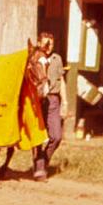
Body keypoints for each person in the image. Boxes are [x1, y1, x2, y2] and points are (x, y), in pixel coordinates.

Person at [33, 31, 67, 180]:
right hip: (38, 101)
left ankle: (43, 161)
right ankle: (40, 168)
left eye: (51, 43)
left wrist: (65, 101)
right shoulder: (35, 58)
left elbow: (61, 80)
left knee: (57, 136)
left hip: (53, 100)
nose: (48, 46)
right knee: (39, 136)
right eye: (45, 43)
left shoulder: (56, 59)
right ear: (39, 43)